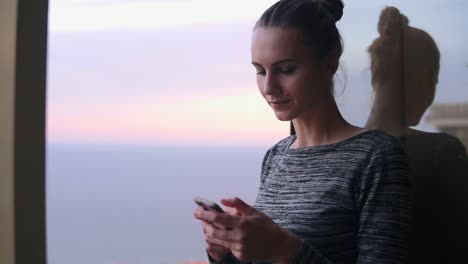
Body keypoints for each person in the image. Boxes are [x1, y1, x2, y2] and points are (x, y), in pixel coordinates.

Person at [193, 1, 412, 263]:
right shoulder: (276, 155)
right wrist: (223, 254)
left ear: (330, 62)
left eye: (286, 69)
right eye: (261, 71)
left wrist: (284, 247)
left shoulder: (376, 157)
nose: (269, 87)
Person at [365, 6, 468, 263]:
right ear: (422, 80)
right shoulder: (441, 154)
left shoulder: (344, 149)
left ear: (374, 75)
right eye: (434, 81)